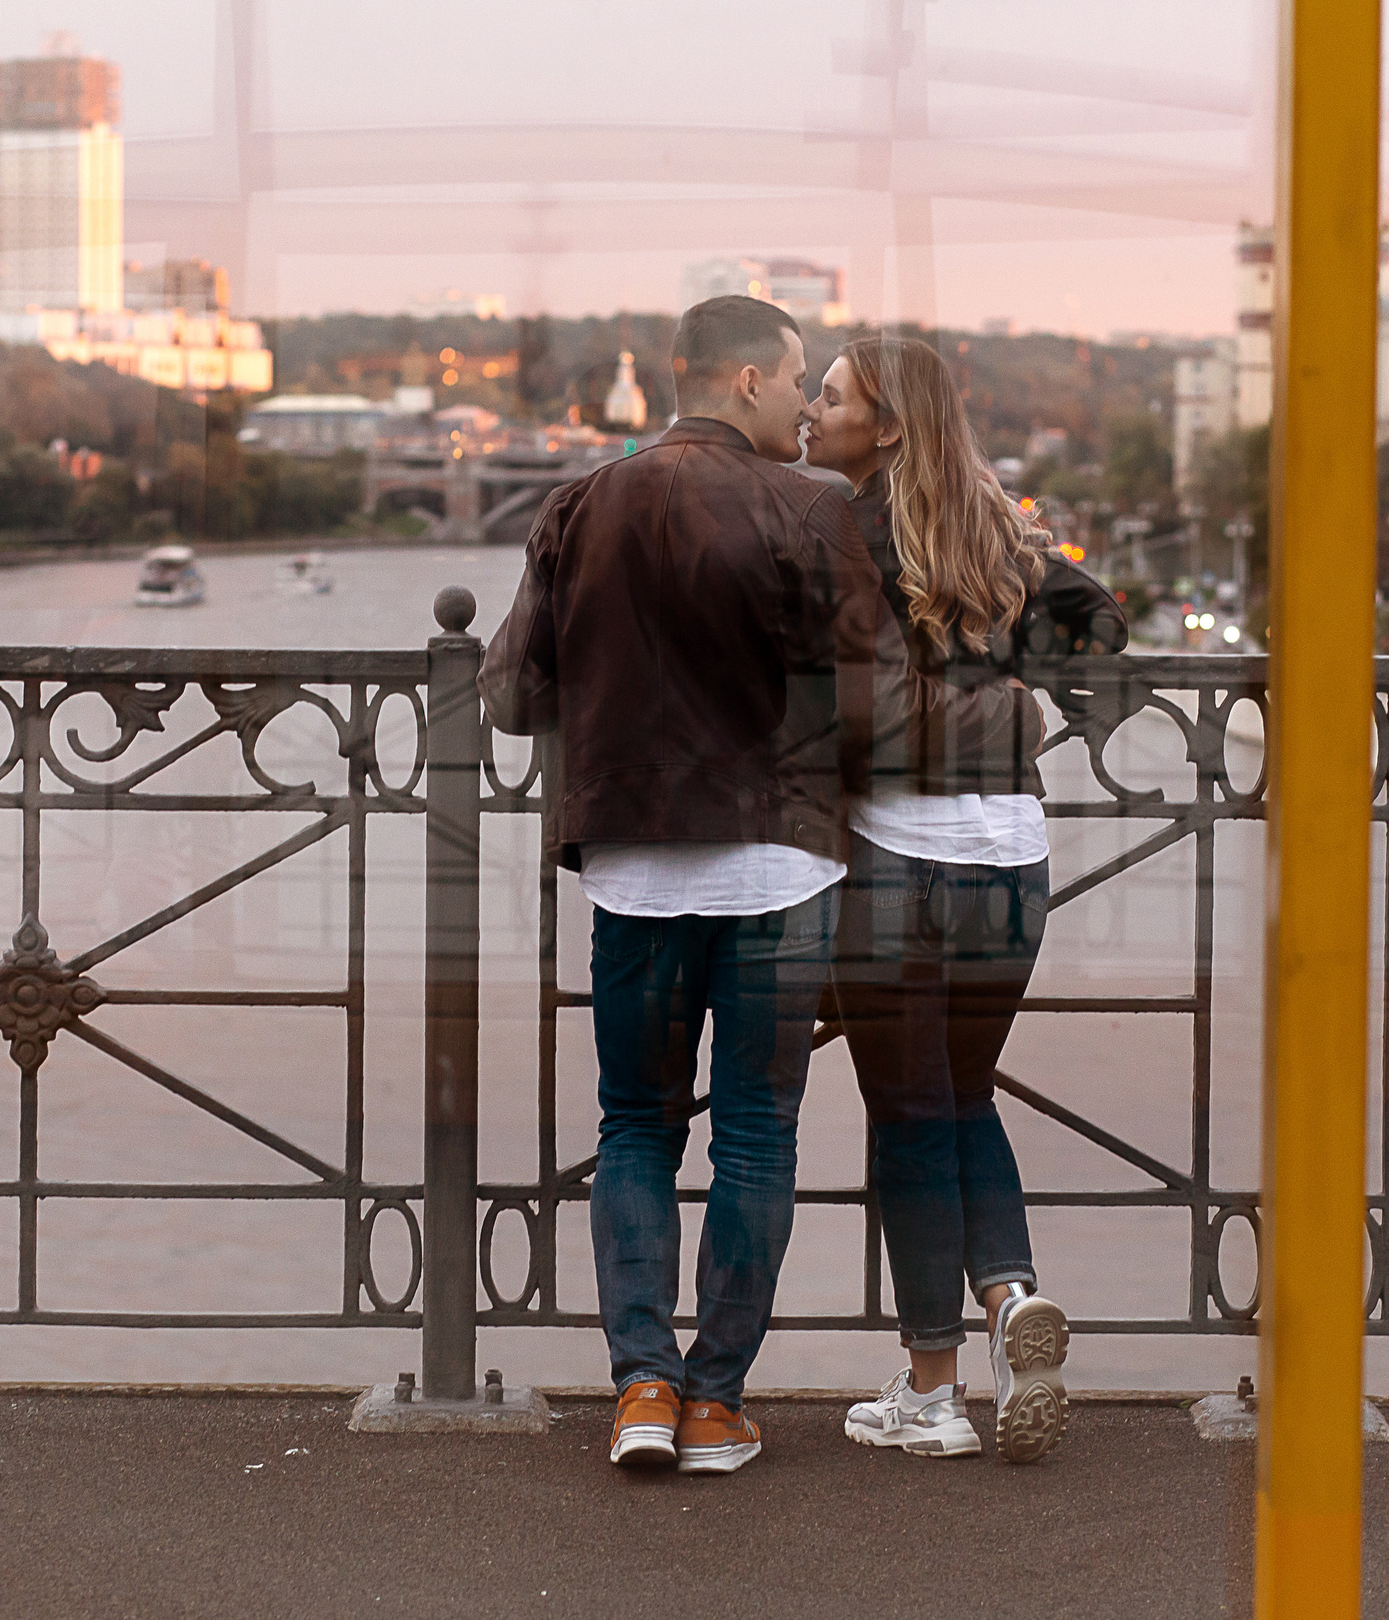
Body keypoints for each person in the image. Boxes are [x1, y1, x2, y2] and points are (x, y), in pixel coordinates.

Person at [479, 296, 877, 1475]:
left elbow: (510, 696)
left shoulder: (578, 504)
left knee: (635, 1127)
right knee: (756, 1134)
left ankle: (641, 1391)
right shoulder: (814, 506)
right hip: (777, 862)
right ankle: (715, 1404)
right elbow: (866, 704)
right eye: (797, 380)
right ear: (747, 380)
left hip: (633, 865)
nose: (805, 405)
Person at [800, 333, 1127, 1466]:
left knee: (906, 1116)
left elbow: (818, 693)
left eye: (831, 396)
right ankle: (1009, 1300)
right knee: (961, 1093)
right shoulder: (999, 528)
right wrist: (1007, 683)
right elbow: (1102, 624)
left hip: (896, 856)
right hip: (1012, 856)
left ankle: (933, 1395)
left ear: (886, 426)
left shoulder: (838, 528)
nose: (811, 410)